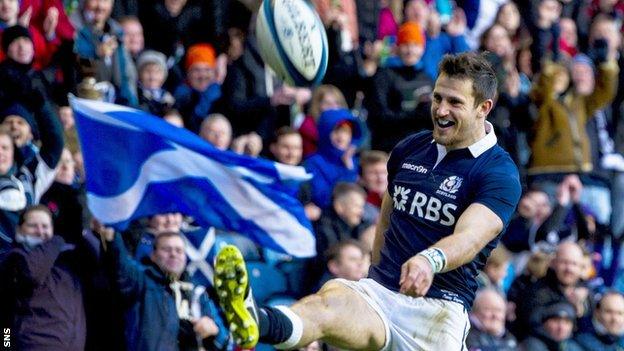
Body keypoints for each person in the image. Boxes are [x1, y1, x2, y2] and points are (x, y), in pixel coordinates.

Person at [213, 52, 522, 350]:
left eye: (455, 102)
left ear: (484, 107)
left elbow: (471, 236)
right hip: (381, 294)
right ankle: (257, 321)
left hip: (438, 313)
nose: (441, 110)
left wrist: (430, 260)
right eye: (438, 98)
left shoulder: (498, 172)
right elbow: (386, 219)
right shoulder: (410, 149)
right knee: (331, 299)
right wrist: (376, 277)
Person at [94, 225, 230, 351]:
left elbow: (225, 341)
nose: (174, 254)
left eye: (179, 251)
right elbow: (120, 267)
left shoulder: (197, 294)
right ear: (153, 255)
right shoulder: (141, 281)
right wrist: (112, 238)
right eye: (167, 249)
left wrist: (214, 330)